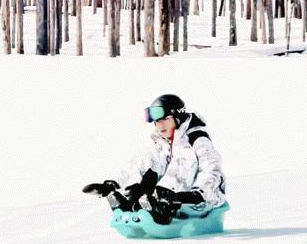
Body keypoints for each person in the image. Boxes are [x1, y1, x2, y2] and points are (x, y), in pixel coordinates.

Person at [83, 94, 227, 224]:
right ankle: (133, 200)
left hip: (202, 200)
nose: (160, 125)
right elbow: (136, 165)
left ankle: (162, 207)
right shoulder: (162, 143)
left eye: (165, 119)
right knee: (149, 158)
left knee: (184, 155)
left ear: (178, 119)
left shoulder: (196, 138)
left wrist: (198, 193)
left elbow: (212, 167)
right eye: (157, 121)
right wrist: (115, 183)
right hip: (170, 197)